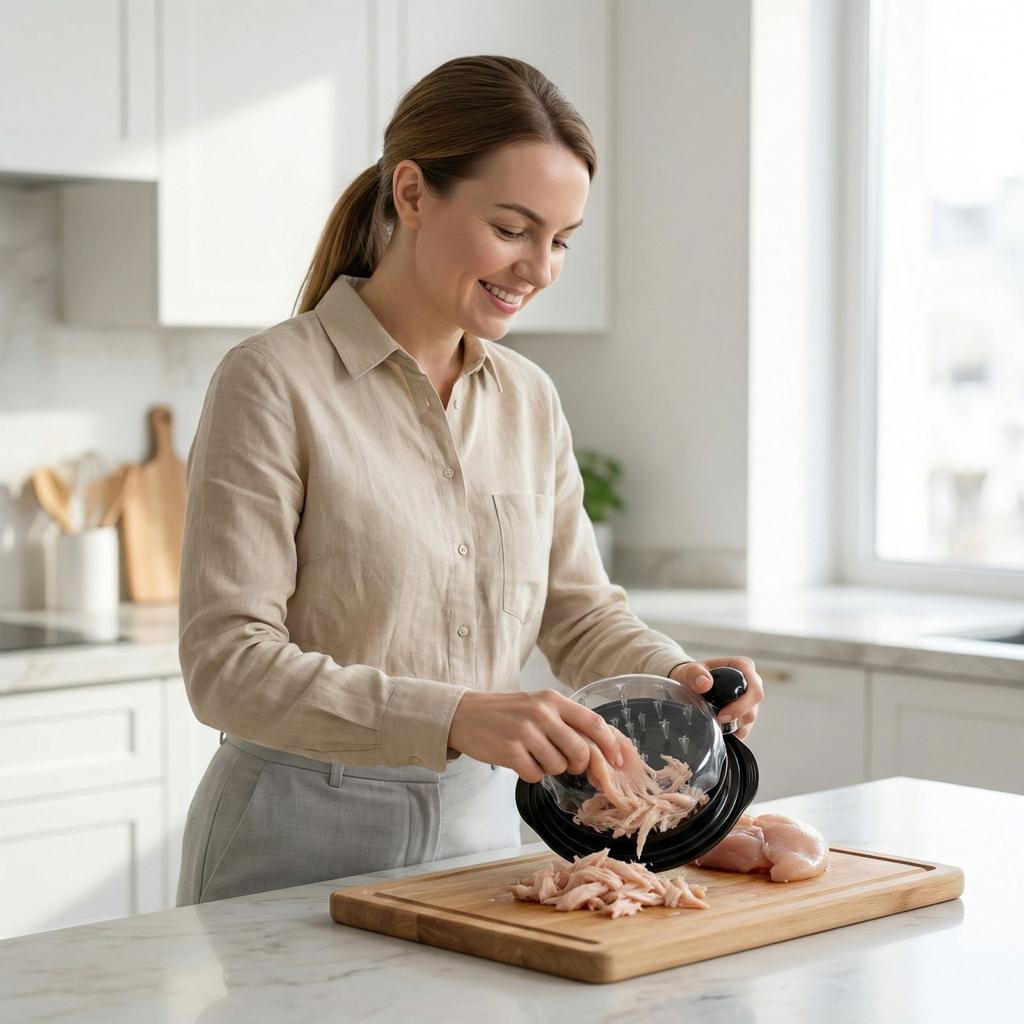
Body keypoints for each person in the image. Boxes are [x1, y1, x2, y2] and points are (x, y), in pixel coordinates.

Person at [175, 54, 764, 907]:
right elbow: (226, 665)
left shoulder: (529, 398)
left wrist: (676, 681)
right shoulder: (272, 381)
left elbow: (579, 612)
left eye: (561, 240)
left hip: (478, 844)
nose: (540, 268)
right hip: (295, 841)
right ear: (413, 194)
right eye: (513, 229)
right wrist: (455, 715)